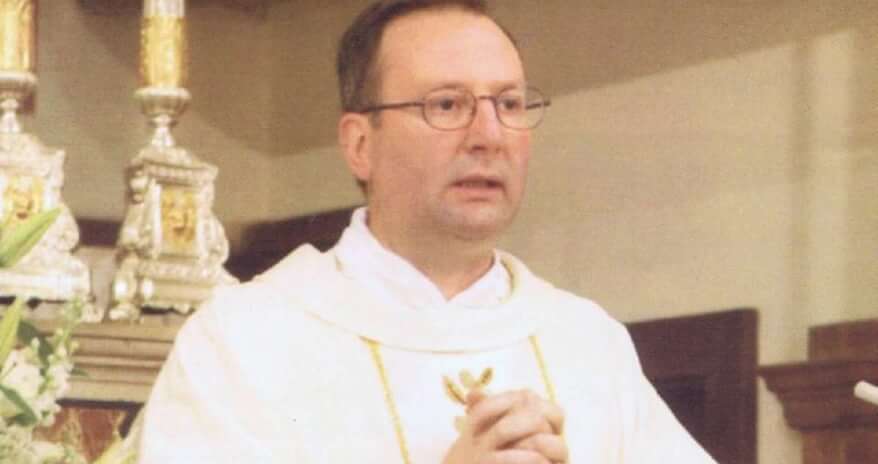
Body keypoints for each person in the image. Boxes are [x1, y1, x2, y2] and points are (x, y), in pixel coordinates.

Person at [138, 1, 716, 462]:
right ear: (360, 144)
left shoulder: (588, 343)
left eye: (509, 103)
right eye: (446, 105)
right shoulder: (245, 340)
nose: (489, 135)